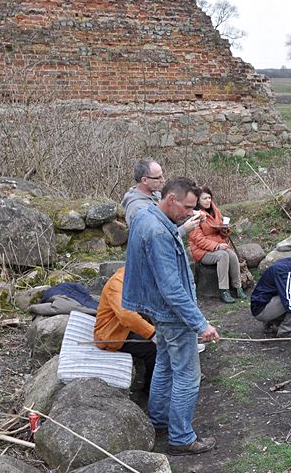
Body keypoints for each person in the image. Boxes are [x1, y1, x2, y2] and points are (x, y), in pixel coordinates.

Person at [122, 177, 219, 456]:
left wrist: (182, 228)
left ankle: (159, 421)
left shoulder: (146, 215)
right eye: (187, 207)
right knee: (188, 375)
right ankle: (181, 437)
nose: (190, 212)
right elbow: (172, 288)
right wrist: (200, 324)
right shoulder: (158, 232)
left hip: (156, 310)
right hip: (172, 314)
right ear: (171, 199)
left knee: (164, 365)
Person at [94, 266, 156, 398]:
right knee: (153, 348)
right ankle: (151, 391)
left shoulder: (137, 276)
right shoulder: (118, 283)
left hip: (126, 327)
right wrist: (153, 334)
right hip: (111, 334)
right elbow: (126, 315)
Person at [188, 186, 245, 304]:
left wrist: (225, 230)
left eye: (209, 197)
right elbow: (198, 240)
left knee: (232, 255)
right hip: (202, 251)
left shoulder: (215, 211)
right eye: (205, 198)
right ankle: (224, 291)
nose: (208, 200)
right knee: (223, 256)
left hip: (219, 246)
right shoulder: (195, 216)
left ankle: (237, 287)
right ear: (198, 200)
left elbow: (223, 234)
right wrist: (217, 246)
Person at [122, 158, 201, 236]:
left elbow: (168, 220)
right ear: (144, 180)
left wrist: (190, 215)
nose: (163, 180)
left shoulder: (156, 194)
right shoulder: (137, 208)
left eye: (162, 176)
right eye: (158, 178)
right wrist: (184, 229)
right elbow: (154, 237)